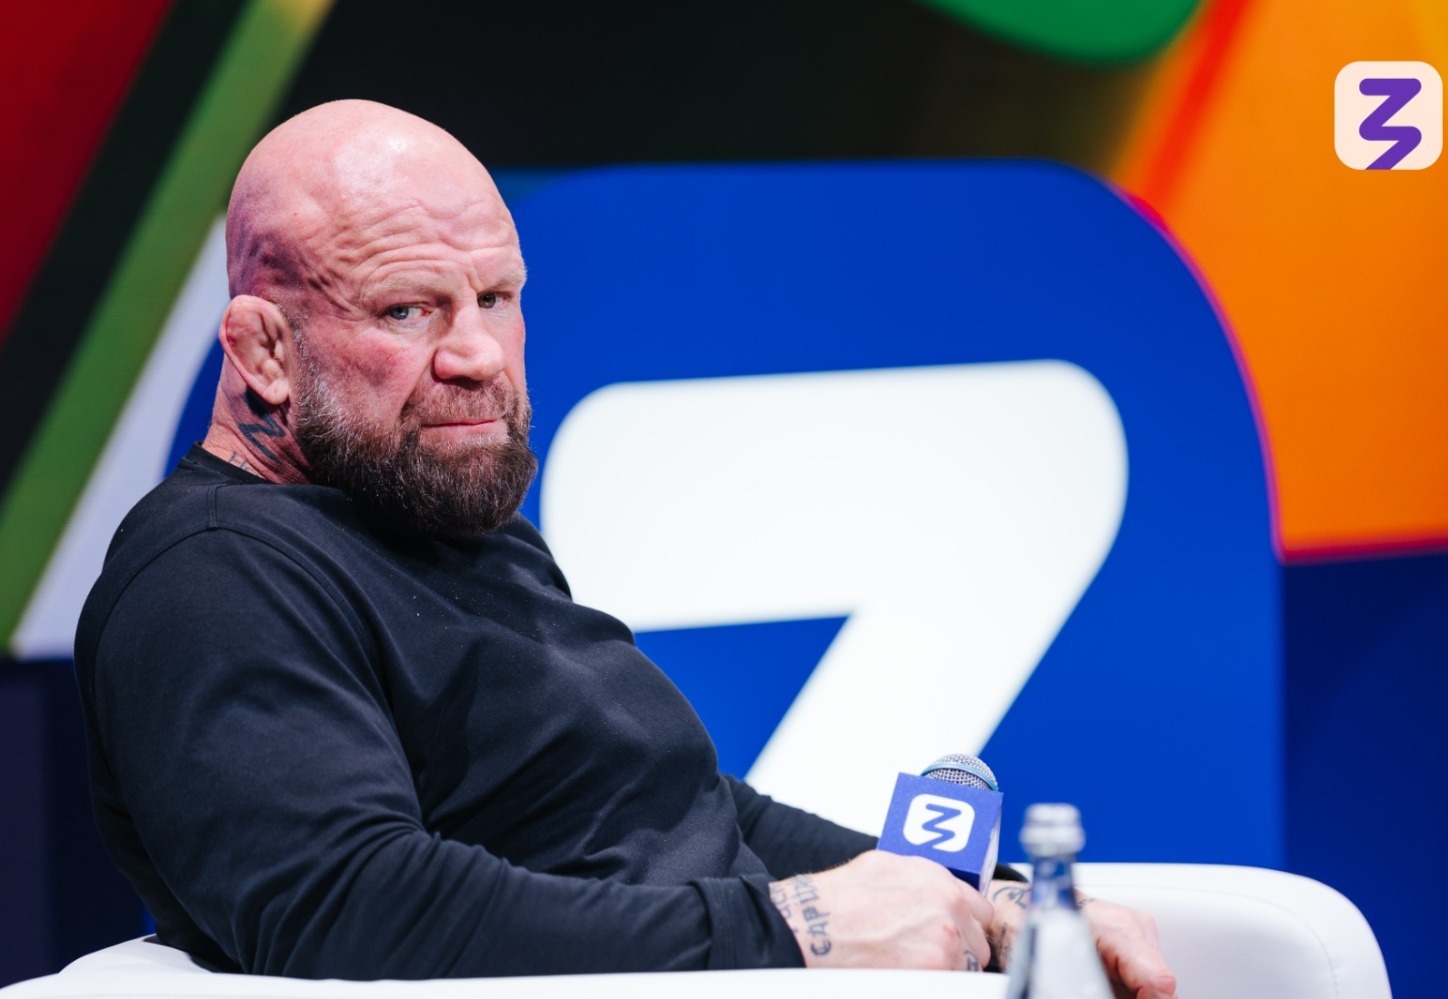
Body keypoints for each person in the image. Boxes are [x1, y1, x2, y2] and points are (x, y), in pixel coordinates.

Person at [74, 100, 1176, 996]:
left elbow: (687, 809)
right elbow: (353, 908)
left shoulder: (441, 518)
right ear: (264, 350)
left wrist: (993, 898)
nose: (477, 354)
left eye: (496, 297)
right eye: (408, 310)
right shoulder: (212, 574)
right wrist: (793, 935)